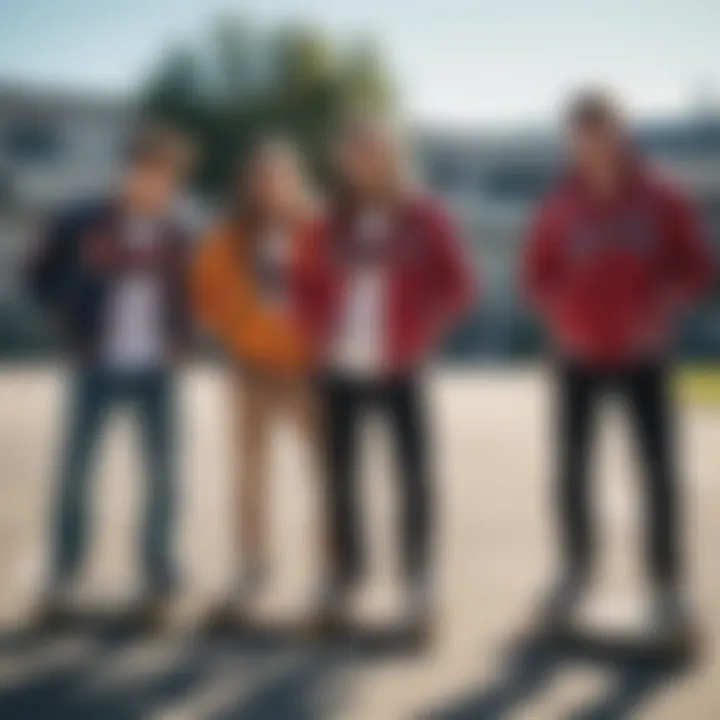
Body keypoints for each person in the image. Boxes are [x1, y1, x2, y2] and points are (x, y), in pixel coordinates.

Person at [522, 90, 715, 635]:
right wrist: (560, 314)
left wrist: (658, 304)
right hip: (577, 357)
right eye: (582, 136)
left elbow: (697, 267)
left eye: (603, 132)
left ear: (621, 133)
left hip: (643, 355)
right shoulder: (559, 204)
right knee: (571, 471)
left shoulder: (661, 196)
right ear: (572, 141)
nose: (593, 145)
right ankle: (574, 574)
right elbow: (535, 274)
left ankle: (667, 585)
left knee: (657, 473)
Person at [293, 116, 476, 636]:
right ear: (342, 163)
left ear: (392, 156)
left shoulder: (424, 215)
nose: (364, 162)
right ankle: (345, 578)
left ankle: (418, 581)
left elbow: (458, 284)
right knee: (340, 481)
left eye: (373, 151)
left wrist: (422, 329)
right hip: (338, 369)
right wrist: (315, 334)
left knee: (414, 478)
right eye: (354, 153)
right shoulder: (325, 221)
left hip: (400, 367)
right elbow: (301, 283)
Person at [26, 124, 194, 625]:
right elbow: (38, 274)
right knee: (76, 471)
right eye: (144, 170)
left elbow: (195, 293)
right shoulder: (80, 220)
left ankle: (157, 569)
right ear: (126, 171)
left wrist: (185, 339)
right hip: (96, 363)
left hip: (158, 371)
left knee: (163, 476)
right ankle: (63, 570)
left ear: (172, 181)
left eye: (164, 175)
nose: (153, 182)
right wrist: (71, 327)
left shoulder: (179, 233)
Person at [192, 138, 321, 620]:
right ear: (249, 184)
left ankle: (327, 569)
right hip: (249, 366)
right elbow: (204, 291)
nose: (269, 185)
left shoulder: (317, 229)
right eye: (260, 176)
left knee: (323, 471)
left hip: (307, 367)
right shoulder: (229, 235)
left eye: (278, 175)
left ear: (294, 180)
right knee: (249, 473)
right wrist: (235, 325)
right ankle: (252, 565)